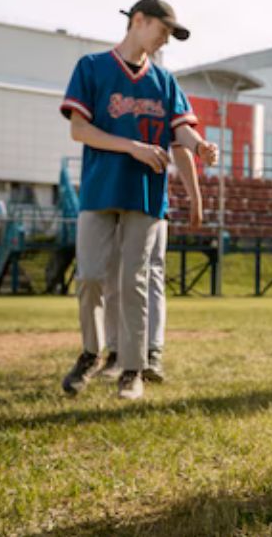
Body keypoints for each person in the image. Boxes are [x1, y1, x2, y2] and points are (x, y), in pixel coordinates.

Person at [59, 0, 218, 401]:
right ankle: (91, 353)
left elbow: (181, 131)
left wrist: (200, 146)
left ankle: (133, 369)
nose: (165, 40)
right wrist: (132, 146)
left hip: (146, 194)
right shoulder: (92, 68)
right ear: (139, 21)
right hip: (100, 189)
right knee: (91, 276)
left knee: (135, 280)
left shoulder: (164, 82)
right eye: (162, 31)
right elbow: (80, 130)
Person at [99, 150, 204, 382]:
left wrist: (195, 196)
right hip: (113, 198)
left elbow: (180, 144)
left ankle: (151, 353)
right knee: (114, 276)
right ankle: (116, 353)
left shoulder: (163, 113)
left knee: (152, 275)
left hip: (152, 201)